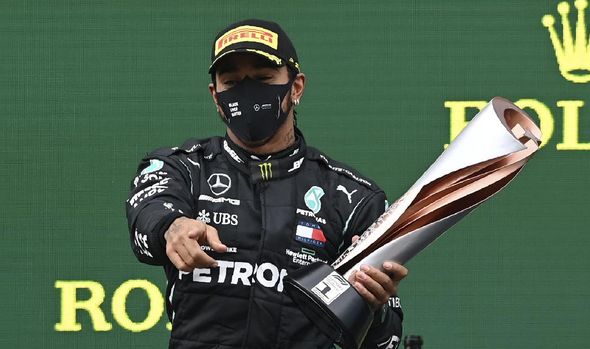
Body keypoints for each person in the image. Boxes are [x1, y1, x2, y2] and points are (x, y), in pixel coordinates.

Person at [126, 19, 408, 349]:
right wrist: (170, 227)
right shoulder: (185, 168)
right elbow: (147, 213)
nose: (248, 92)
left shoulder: (352, 199)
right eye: (231, 82)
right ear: (215, 96)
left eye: (263, 79)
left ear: (296, 86)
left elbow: (387, 341)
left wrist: (371, 310)